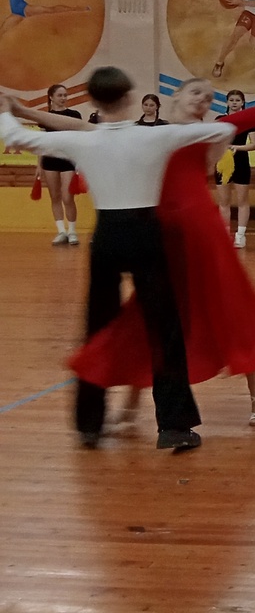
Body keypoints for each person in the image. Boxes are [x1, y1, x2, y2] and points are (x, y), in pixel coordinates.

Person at [40, 78, 255, 429]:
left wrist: (254, 114)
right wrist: (27, 112)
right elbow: (83, 128)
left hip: (201, 230)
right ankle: (133, 399)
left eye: (208, 98)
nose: (202, 99)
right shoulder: (149, 133)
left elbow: (250, 117)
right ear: (175, 95)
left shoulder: (208, 133)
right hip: (161, 229)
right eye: (195, 92)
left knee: (226, 305)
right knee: (150, 313)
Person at [0, 68, 239, 451]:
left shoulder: (86, 141)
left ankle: (89, 425)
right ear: (129, 99)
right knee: (165, 331)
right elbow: (223, 129)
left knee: (97, 330)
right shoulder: (154, 135)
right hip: (147, 236)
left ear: (94, 103)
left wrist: (6, 111)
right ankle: (175, 427)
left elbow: (16, 137)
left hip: (108, 238)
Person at [38, 83, 82, 246]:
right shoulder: (45, 117)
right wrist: (39, 165)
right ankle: (61, 231)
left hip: (68, 160)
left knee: (67, 196)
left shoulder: (74, 115)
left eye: (65, 95)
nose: (63, 98)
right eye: (60, 95)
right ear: (51, 97)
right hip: (50, 160)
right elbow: (42, 143)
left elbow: (79, 140)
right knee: (55, 196)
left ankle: (72, 231)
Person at [215, 89, 254, 249]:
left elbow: (253, 144)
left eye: (238, 100)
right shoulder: (220, 119)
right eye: (232, 100)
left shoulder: (248, 120)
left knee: (242, 200)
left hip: (241, 162)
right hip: (223, 162)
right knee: (224, 201)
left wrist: (236, 147)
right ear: (227, 102)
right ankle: (225, 234)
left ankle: (240, 235)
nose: (234, 103)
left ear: (242, 102)